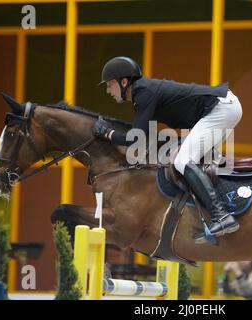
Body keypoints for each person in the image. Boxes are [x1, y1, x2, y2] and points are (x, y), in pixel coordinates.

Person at [92, 56, 243, 243]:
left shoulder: (144, 92)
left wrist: (107, 133)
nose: (108, 90)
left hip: (220, 109)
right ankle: (216, 213)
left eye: (109, 85)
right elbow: (143, 135)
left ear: (124, 82)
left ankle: (221, 215)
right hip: (221, 108)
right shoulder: (143, 93)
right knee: (187, 160)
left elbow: (134, 139)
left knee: (182, 161)